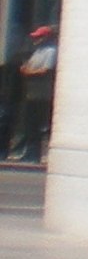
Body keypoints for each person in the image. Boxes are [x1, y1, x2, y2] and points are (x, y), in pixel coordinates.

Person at [8, 25, 54, 163]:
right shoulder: (37, 51)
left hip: (43, 95)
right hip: (32, 94)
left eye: (39, 37)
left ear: (47, 37)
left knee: (41, 125)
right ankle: (30, 153)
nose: (36, 39)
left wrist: (28, 72)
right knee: (30, 124)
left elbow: (46, 70)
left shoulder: (51, 51)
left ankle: (39, 154)